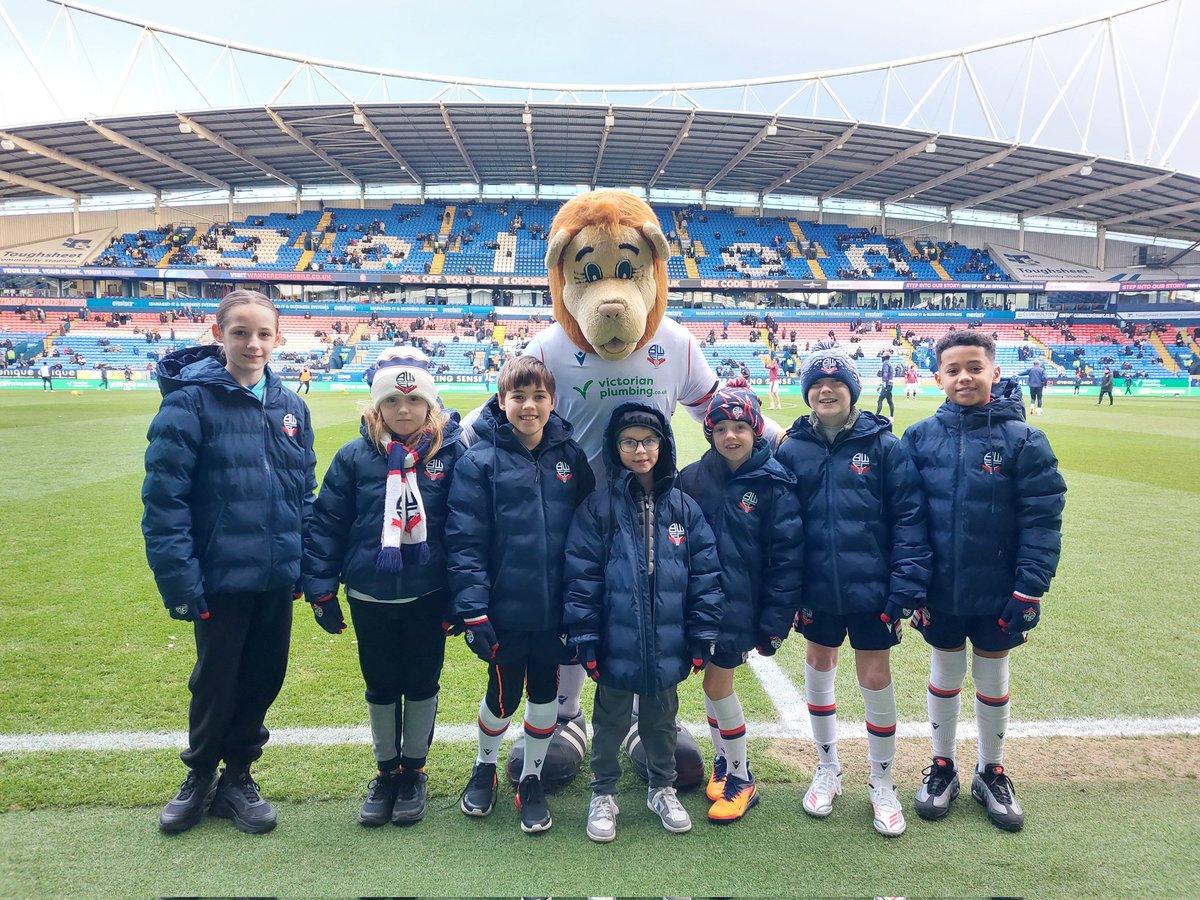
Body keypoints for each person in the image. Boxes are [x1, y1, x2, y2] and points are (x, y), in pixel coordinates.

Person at [142, 289, 317, 836]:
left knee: (264, 676)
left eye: (263, 333)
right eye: (240, 332)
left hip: (275, 576)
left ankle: (238, 778)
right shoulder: (189, 402)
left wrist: (302, 563)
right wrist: (179, 578)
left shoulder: (291, 407)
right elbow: (164, 499)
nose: (253, 343)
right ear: (219, 335)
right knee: (215, 680)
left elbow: (302, 493)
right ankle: (198, 777)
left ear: (279, 339)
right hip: (217, 577)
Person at [901, 331, 1066, 832]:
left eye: (974, 367)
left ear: (994, 371)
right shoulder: (919, 436)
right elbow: (906, 518)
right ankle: (943, 766)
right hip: (940, 588)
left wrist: (1030, 587)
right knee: (946, 674)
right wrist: (913, 582)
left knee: (992, 675)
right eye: (953, 370)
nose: (964, 377)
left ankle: (991, 770)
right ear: (938, 378)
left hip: (1000, 588)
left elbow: (1042, 520)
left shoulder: (1025, 440)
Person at [303, 348, 465, 827]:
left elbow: (464, 531)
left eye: (413, 401)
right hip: (370, 595)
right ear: (376, 408)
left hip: (427, 594)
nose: (403, 410)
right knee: (380, 685)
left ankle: (413, 772)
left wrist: (460, 596)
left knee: (421, 682)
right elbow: (328, 523)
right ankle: (385, 771)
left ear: (430, 406)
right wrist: (321, 589)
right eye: (392, 401)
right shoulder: (354, 457)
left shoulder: (449, 454)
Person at [776, 347, 931, 838]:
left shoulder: (885, 445)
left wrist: (904, 587)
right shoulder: (791, 448)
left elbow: (909, 518)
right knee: (819, 667)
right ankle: (827, 769)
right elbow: (782, 526)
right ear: (807, 393)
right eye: (818, 385)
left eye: (837, 385)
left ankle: (882, 781)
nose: (826, 391)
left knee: (875, 676)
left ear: (851, 391)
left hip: (873, 589)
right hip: (816, 589)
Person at [447, 356, 594, 835]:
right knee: (502, 694)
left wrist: (582, 606)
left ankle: (530, 779)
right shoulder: (479, 461)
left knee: (547, 692)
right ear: (501, 399)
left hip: (556, 612)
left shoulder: (571, 458)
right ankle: (484, 766)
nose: (529, 407)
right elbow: (465, 541)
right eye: (518, 396)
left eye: (539, 397)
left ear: (553, 401)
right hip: (505, 610)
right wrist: (472, 609)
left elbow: (588, 536)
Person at [563, 403, 723, 842]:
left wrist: (701, 633)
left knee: (661, 718)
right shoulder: (598, 508)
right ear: (615, 448)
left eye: (649, 440)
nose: (640, 450)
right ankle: (604, 792)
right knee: (610, 717)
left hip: (667, 638)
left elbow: (705, 574)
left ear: (663, 445)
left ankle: (662, 787)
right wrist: (587, 637)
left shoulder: (684, 508)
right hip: (616, 638)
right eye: (629, 442)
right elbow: (582, 574)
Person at [678, 389, 803, 822]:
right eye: (722, 428)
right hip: (697, 604)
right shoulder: (691, 478)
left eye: (741, 428)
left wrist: (774, 622)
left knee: (717, 687)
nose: (732, 436)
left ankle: (742, 778)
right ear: (709, 431)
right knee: (710, 687)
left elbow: (786, 559)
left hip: (738, 607)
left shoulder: (774, 483)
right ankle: (723, 762)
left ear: (755, 430)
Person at [875, 352, 895, 419]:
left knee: (880, 400)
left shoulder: (885, 364)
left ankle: (876, 416)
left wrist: (883, 383)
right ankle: (892, 417)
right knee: (889, 401)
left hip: (886, 384)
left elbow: (885, 374)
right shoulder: (890, 363)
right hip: (890, 384)